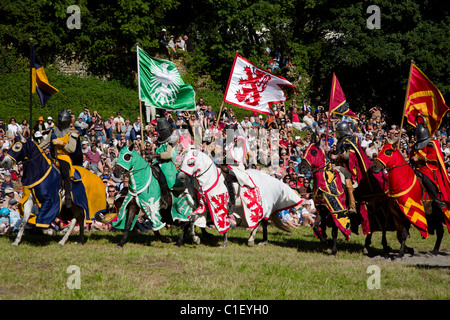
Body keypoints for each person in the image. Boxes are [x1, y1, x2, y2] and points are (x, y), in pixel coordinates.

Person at [39, 110, 81, 208]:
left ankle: (68, 196)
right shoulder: (53, 130)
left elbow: (71, 148)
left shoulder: (73, 133)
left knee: (65, 173)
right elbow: (45, 143)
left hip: (64, 157)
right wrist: (35, 149)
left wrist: (61, 143)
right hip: (52, 156)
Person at [409, 117, 450, 211]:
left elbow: (432, 156)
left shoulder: (431, 143)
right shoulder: (416, 145)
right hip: (415, 169)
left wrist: (419, 158)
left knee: (427, 180)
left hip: (427, 169)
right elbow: (410, 156)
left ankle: (438, 201)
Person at [147, 118, 177, 209]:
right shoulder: (159, 141)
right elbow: (156, 152)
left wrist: (156, 155)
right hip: (158, 163)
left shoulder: (172, 141)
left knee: (162, 179)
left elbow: (168, 154)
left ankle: (164, 198)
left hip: (168, 165)